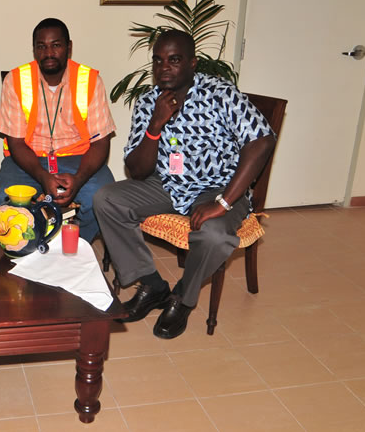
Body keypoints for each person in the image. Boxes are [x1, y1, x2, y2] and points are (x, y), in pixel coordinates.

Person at [93, 29, 276, 339]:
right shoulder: (149, 101)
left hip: (218, 186)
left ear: (192, 64)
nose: (164, 68)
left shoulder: (220, 94)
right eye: (158, 61)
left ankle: (182, 298)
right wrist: (155, 125)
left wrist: (223, 202)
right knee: (107, 199)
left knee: (216, 236)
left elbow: (262, 141)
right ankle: (151, 285)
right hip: (167, 183)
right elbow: (137, 170)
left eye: (174, 60)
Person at [0, 18, 116, 242]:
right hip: (28, 159)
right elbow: (16, 142)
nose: (48, 52)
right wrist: (43, 177)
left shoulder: (90, 80)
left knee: (103, 197)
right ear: (34, 50)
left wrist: (79, 179)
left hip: (79, 158)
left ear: (69, 47)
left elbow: (101, 142)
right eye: (41, 46)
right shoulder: (16, 80)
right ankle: (26, 251)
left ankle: (75, 247)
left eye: (56, 45)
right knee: (5, 195)